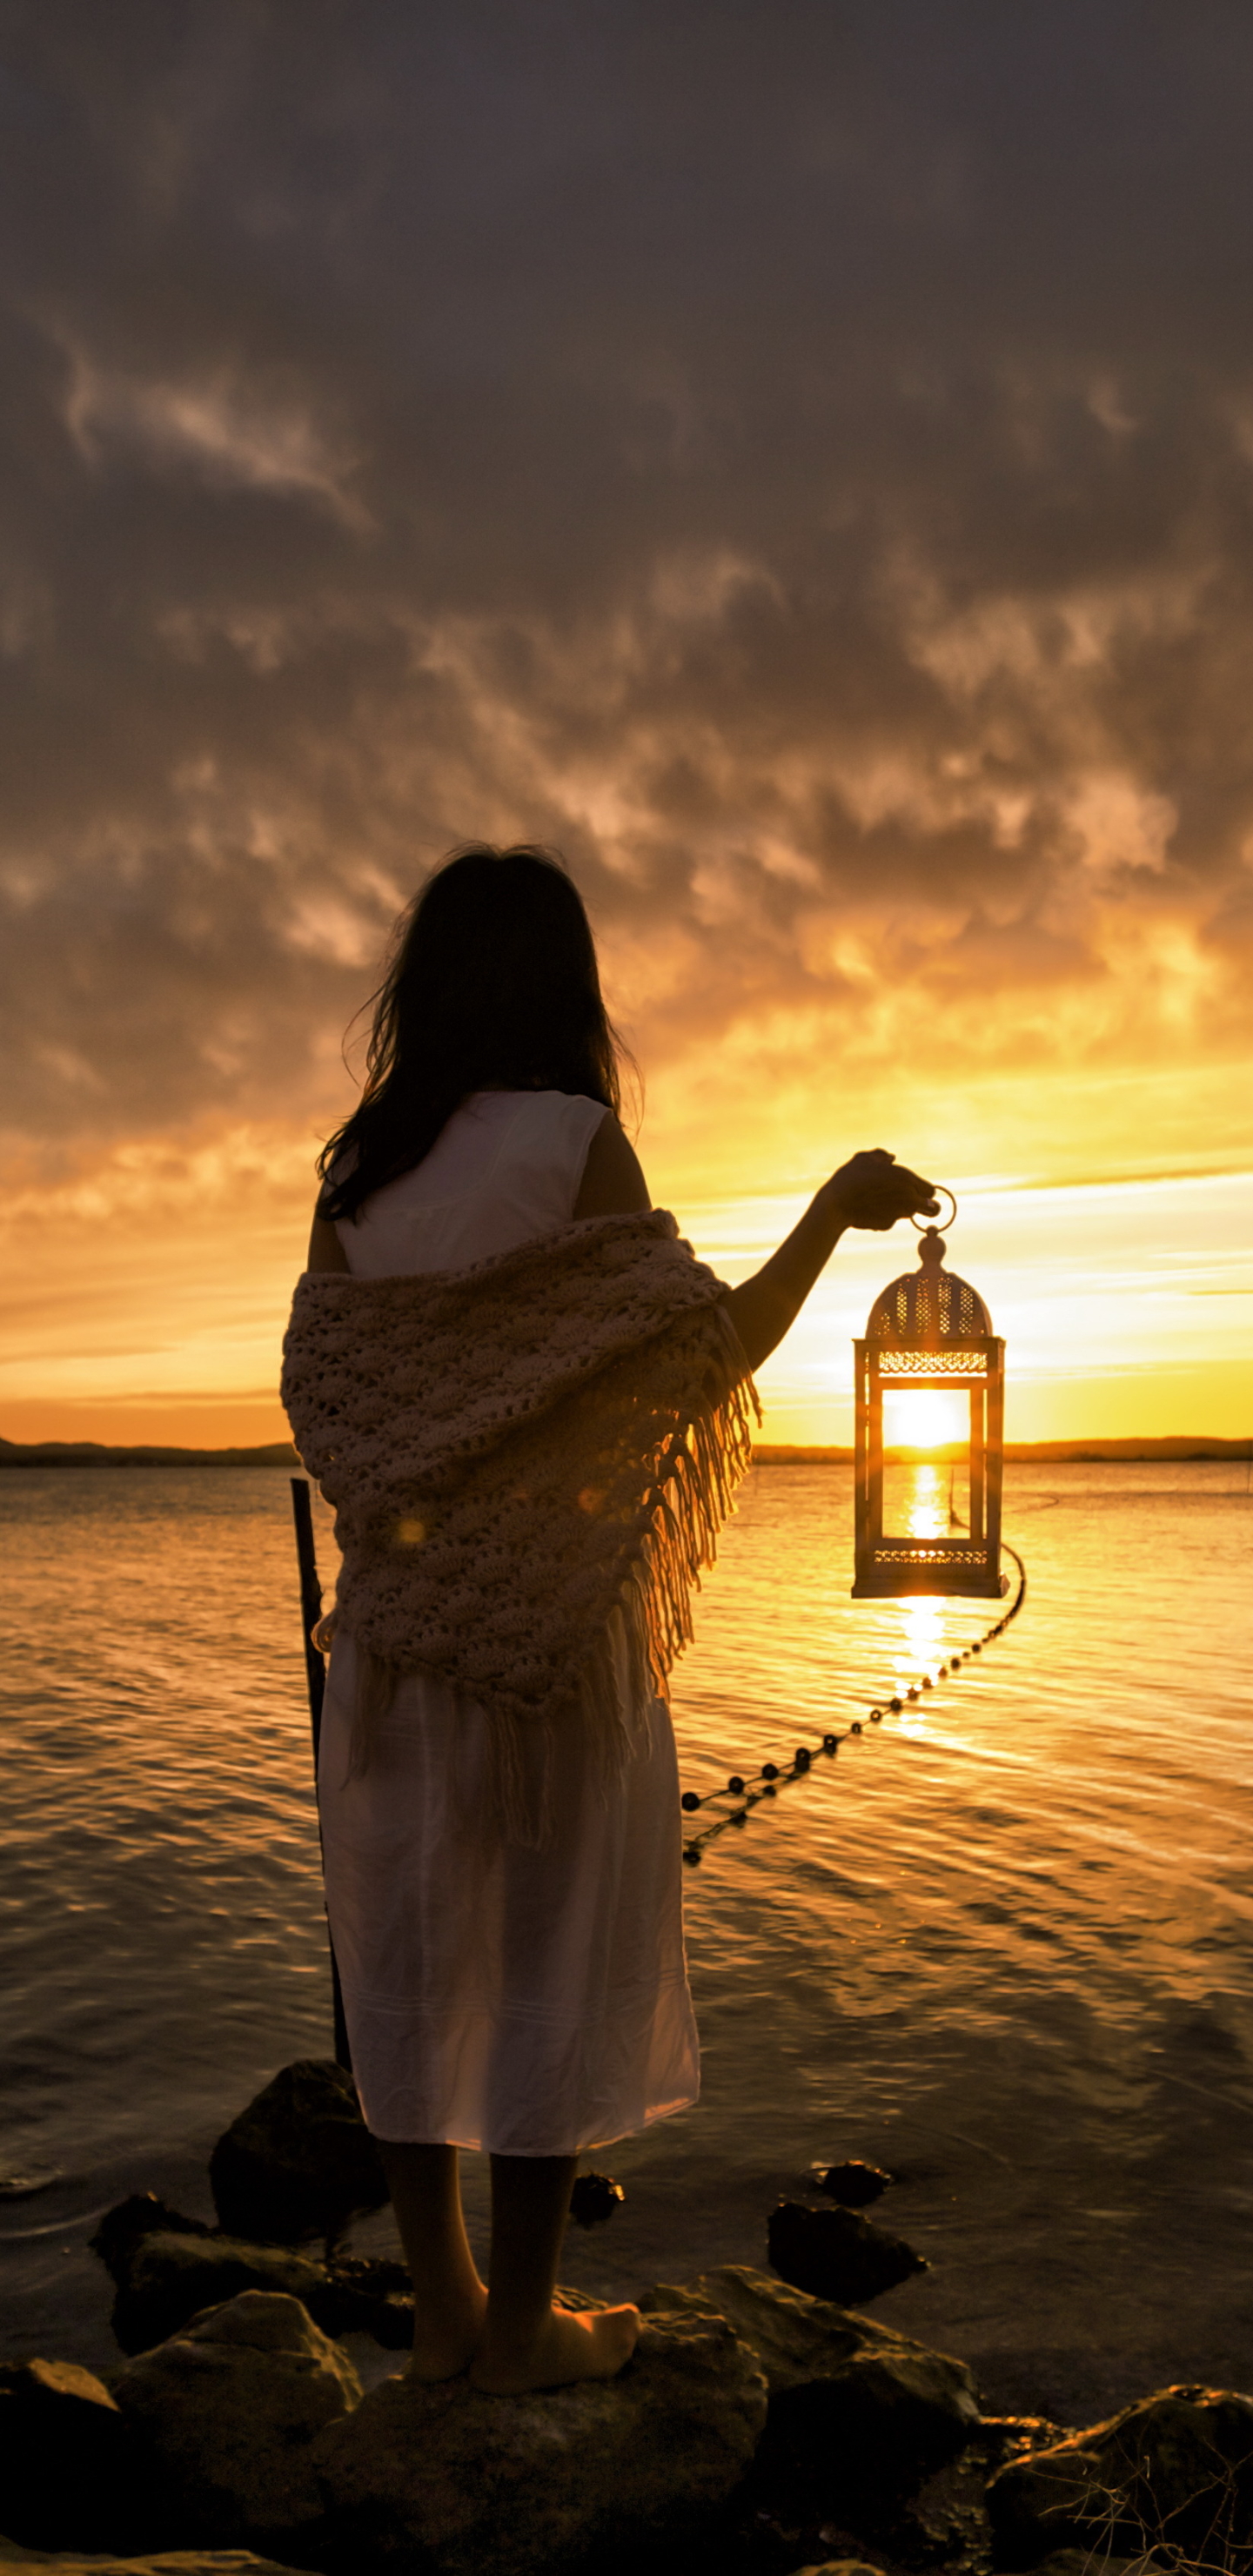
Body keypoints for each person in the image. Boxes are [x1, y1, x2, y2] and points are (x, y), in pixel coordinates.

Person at [290, 842, 935, 2395]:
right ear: (566, 989)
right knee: (542, 1969)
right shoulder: (579, 1148)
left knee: (403, 1966)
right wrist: (833, 1215)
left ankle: (443, 2315)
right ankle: (524, 2333)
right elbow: (693, 1362)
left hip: (386, 1660)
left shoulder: (357, 1176)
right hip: (552, 1656)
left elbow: (334, 1406)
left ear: (422, 991)